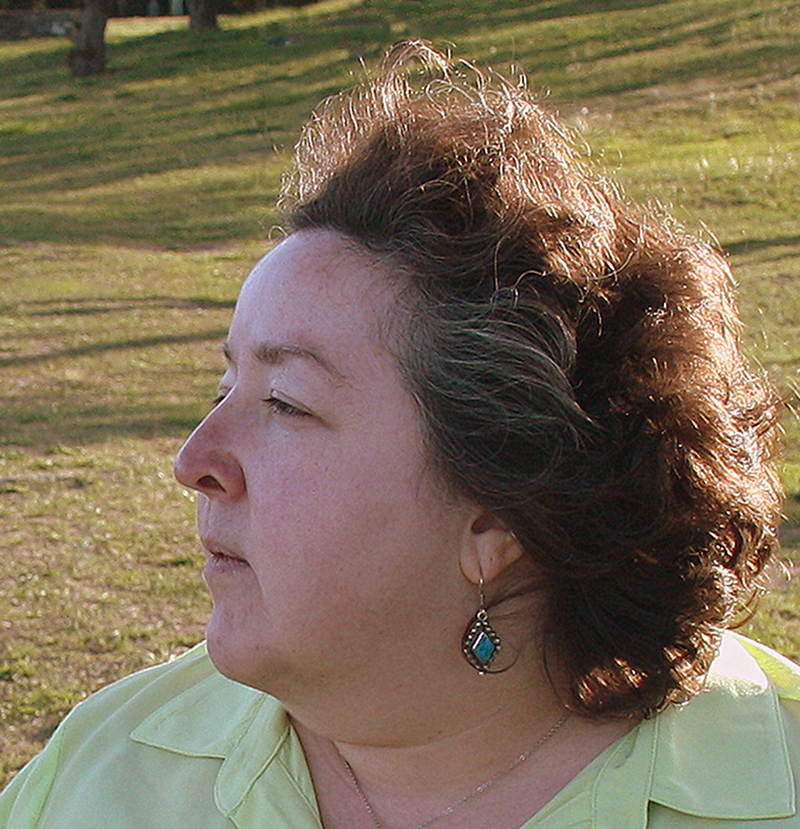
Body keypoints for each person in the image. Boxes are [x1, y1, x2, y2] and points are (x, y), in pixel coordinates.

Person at [2, 40, 799, 829]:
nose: (194, 461)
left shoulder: (768, 784)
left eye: (285, 402)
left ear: (497, 512)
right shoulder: (103, 771)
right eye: (224, 386)